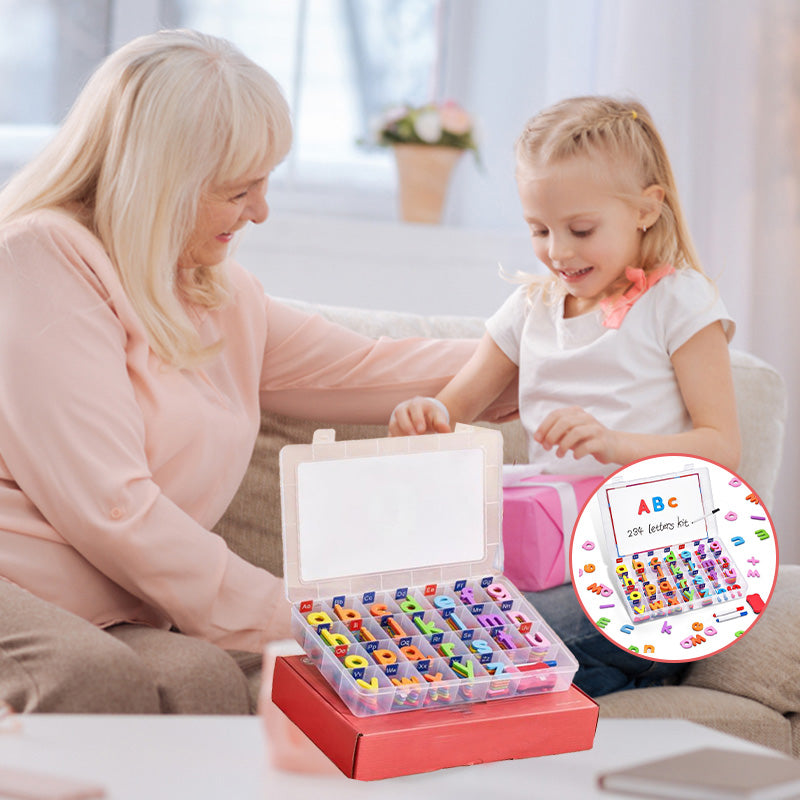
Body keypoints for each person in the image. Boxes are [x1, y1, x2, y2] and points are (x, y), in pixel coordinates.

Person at [0, 29, 514, 715]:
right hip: (19, 590)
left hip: (108, 607)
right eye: (239, 190)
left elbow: (376, 367)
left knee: (205, 680)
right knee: (92, 676)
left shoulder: (217, 293)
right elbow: (113, 507)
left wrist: (559, 351)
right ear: (162, 183)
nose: (261, 212)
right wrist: (299, 614)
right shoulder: (41, 258)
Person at [389, 96, 740, 696]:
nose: (559, 251)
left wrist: (613, 443)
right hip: (559, 563)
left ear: (646, 209)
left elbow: (721, 448)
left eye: (581, 230)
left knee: (483, 645)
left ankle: (593, 676)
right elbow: (455, 406)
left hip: (654, 574)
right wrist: (430, 414)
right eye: (539, 229)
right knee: (441, 627)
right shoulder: (532, 307)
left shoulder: (679, 303)